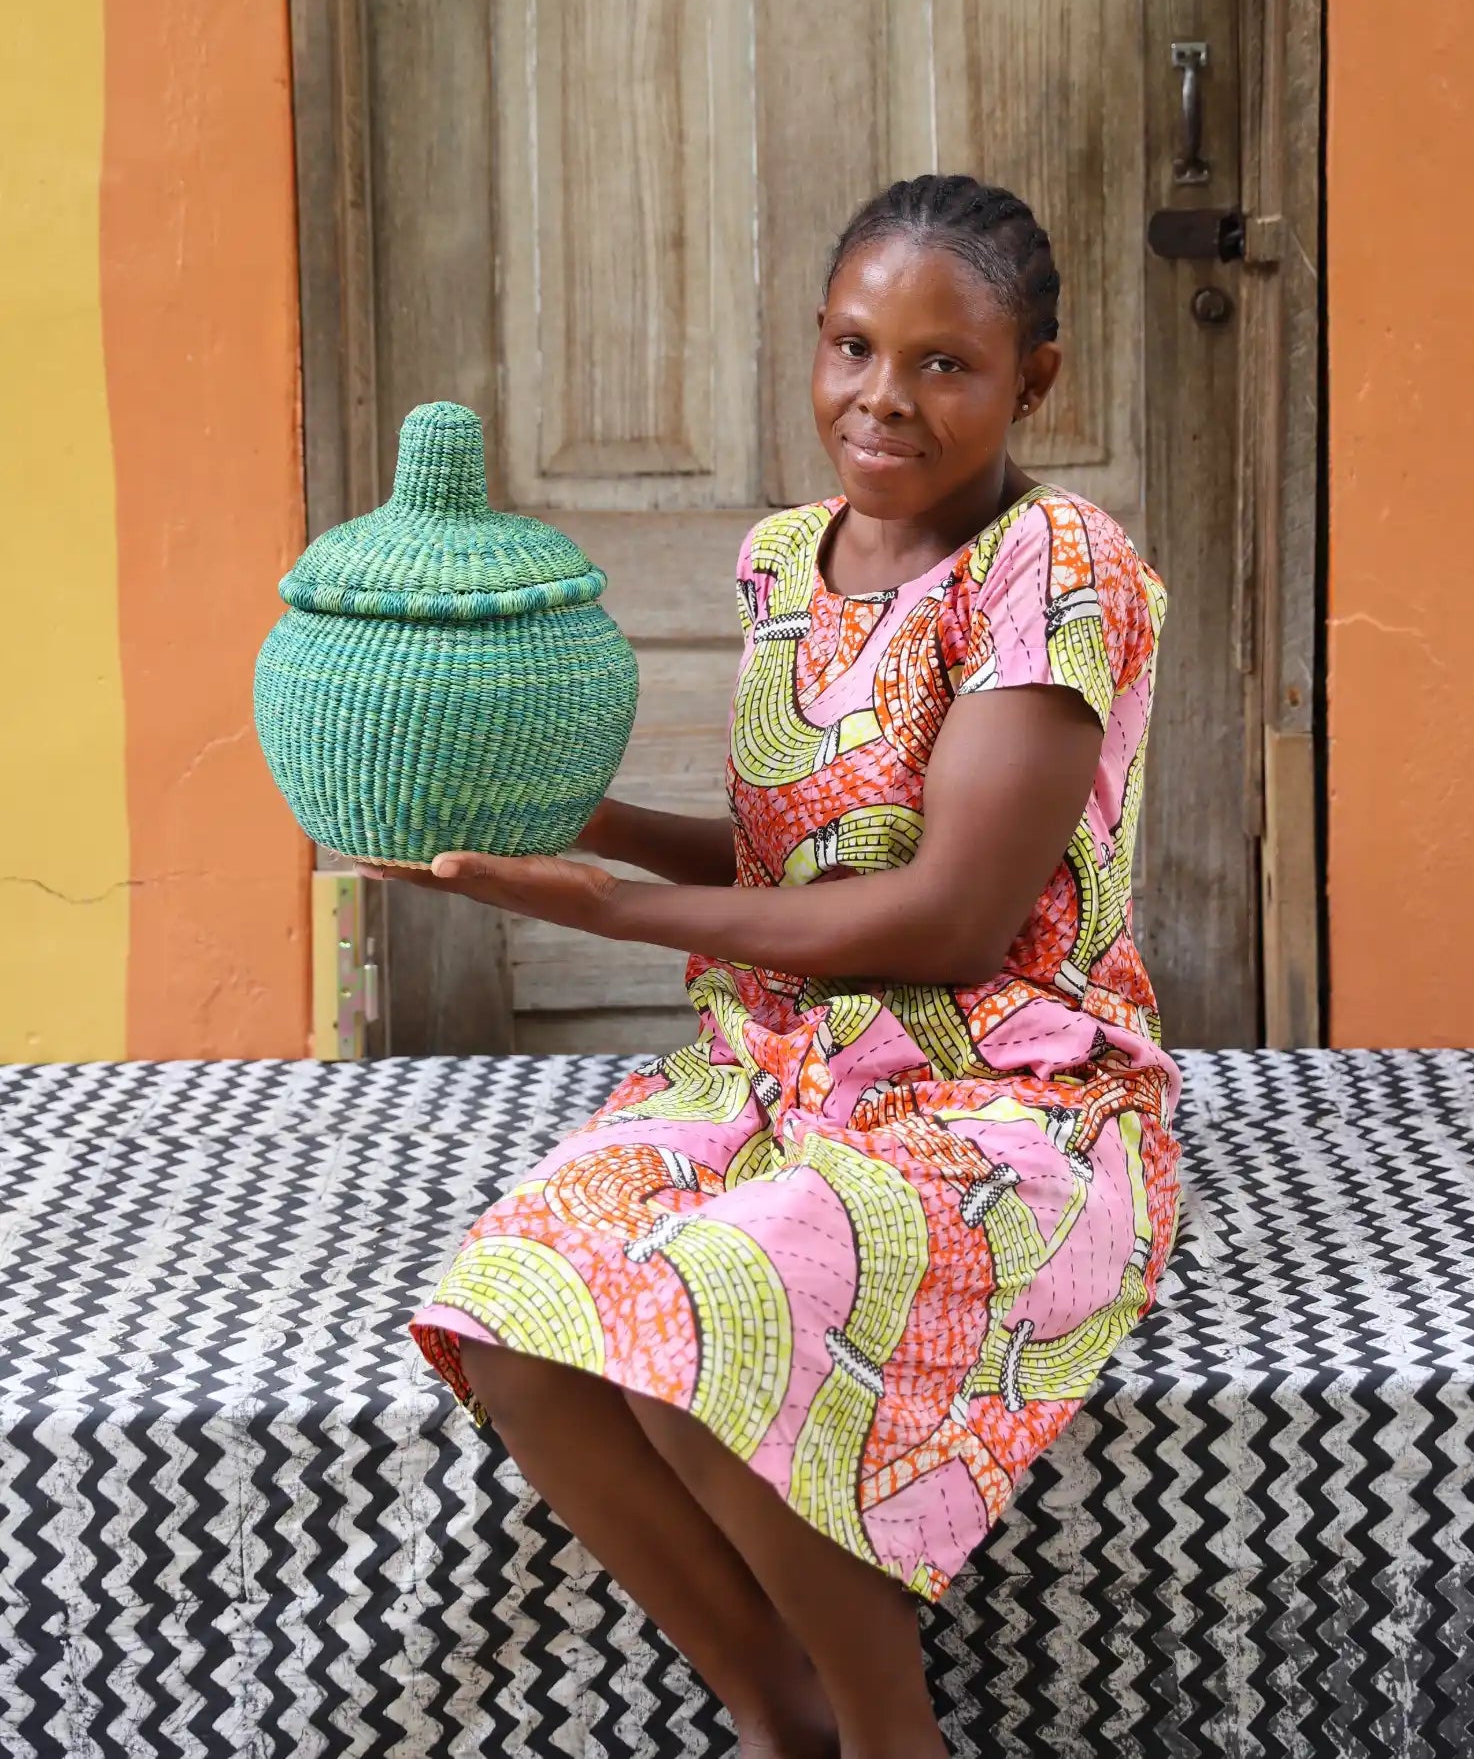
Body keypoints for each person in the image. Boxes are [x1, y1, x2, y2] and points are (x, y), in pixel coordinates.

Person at [370, 175, 1183, 1759]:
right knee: (513, 1315)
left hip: (1006, 1096)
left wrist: (597, 910)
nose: (882, 396)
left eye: (944, 362)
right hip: (783, 1073)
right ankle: (777, 1713)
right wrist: (541, 814)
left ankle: (894, 1740)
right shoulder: (787, 557)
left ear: (1038, 379)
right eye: (852, 345)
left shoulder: (1054, 565)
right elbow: (787, 864)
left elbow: (946, 916)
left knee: (707, 1317)